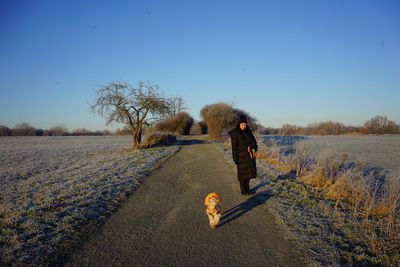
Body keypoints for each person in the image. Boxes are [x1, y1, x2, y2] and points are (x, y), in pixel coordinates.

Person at [229, 115, 258, 195]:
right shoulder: (235, 134)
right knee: (242, 175)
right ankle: (243, 191)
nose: (243, 126)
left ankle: (248, 189)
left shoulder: (249, 132)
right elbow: (234, 147)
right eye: (242, 124)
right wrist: (235, 158)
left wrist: (253, 149)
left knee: (248, 175)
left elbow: (254, 142)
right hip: (241, 157)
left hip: (249, 156)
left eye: (245, 124)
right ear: (239, 124)